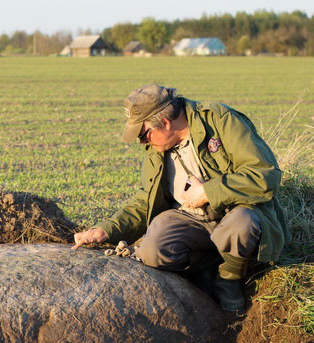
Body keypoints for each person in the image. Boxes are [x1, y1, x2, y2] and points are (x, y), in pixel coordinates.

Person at [72, 84, 290, 312]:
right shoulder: (157, 149)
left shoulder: (220, 120)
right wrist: (106, 230)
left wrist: (208, 192)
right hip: (192, 221)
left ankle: (229, 278)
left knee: (242, 223)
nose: (142, 143)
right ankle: (208, 269)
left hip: (234, 213)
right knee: (152, 250)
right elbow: (145, 200)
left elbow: (265, 175)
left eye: (143, 135)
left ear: (165, 123)